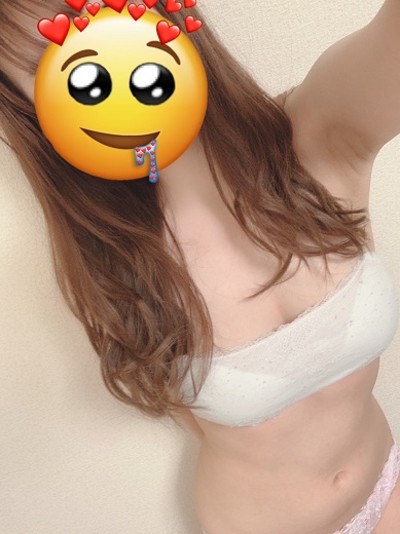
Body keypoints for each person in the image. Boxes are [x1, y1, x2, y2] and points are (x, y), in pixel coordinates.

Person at [1, 1, 399, 533]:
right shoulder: (112, 262)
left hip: (387, 481)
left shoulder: (317, 137)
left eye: (93, 19)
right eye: (44, 62)